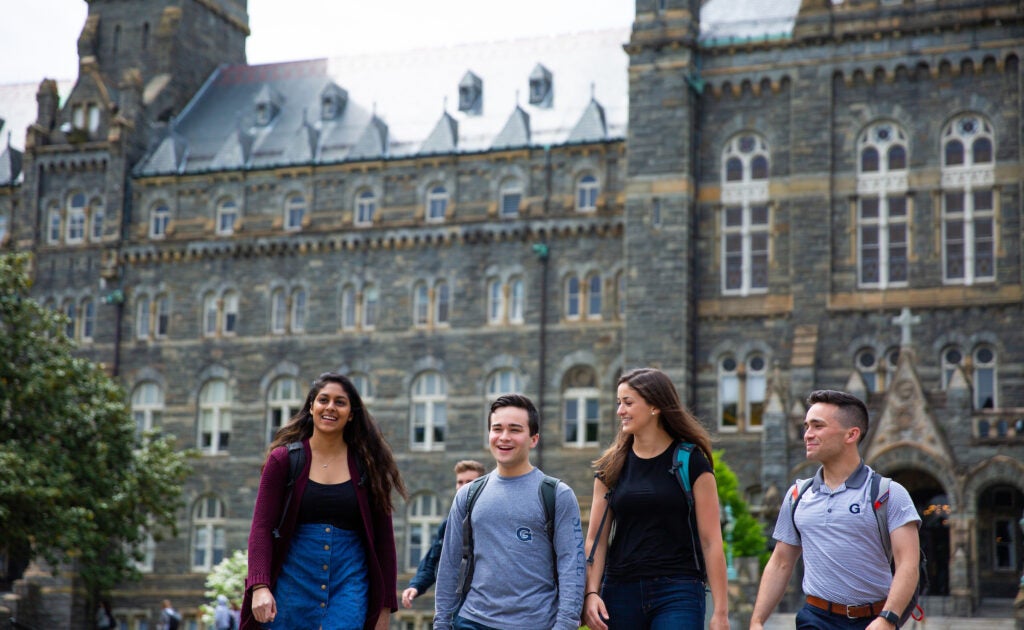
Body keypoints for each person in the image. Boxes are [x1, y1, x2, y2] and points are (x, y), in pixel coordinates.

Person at [242, 372, 408, 630]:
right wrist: (260, 585)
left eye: (340, 402)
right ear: (311, 407)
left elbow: (384, 540)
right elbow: (261, 528)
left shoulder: (367, 467)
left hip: (349, 582)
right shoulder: (283, 460)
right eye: (323, 400)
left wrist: (384, 608)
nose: (330, 407)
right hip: (292, 581)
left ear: (351, 413)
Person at [749, 389, 921, 630]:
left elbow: (907, 564)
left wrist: (888, 619)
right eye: (806, 426)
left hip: (872, 621)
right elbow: (780, 562)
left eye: (817, 426)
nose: (807, 434)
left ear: (851, 434)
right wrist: (757, 621)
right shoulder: (797, 495)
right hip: (814, 618)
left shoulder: (889, 494)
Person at [582, 367, 730, 630]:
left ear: (655, 406)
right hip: (619, 591)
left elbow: (711, 541)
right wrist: (591, 593)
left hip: (679, 591)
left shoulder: (691, 461)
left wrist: (720, 611)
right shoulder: (610, 467)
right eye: (619, 403)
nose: (620, 411)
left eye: (628, 403)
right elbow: (596, 539)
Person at [434, 393, 585, 630]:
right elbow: (449, 563)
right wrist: (442, 622)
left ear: (534, 439)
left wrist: (565, 625)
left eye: (515, 430)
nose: (504, 437)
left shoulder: (557, 494)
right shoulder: (468, 494)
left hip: (535, 623)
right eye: (497, 429)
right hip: (472, 621)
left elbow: (572, 565)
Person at [401, 460, 486, 609]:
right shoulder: (449, 525)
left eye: (470, 481)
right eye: (460, 482)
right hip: (457, 606)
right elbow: (433, 560)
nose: (464, 486)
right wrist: (416, 586)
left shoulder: (492, 521)